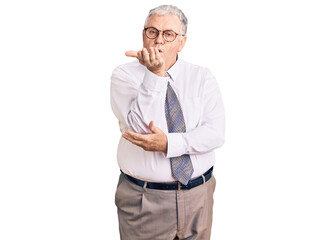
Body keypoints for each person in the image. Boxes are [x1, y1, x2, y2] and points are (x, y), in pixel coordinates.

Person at [110, 5, 225, 240]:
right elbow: (140, 131)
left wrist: (168, 144)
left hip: (198, 195)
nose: (158, 40)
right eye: (152, 32)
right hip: (145, 200)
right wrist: (154, 75)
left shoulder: (202, 77)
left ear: (181, 42)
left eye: (168, 34)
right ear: (143, 35)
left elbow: (215, 134)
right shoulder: (124, 76)